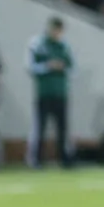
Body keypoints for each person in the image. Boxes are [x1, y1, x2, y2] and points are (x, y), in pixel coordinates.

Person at [26, 17, 75, 167]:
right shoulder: (38, 44)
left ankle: (65, 159)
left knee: (63, 128)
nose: (57, 33)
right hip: (44, 93)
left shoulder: (64, 46)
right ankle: (36, 159)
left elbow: (73, 68)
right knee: (40, 127)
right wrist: (48, 66)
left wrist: (62, 67)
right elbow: (30, 67)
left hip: (61, 93)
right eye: (55, 29)